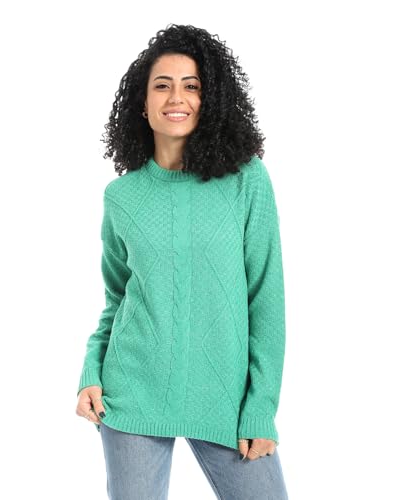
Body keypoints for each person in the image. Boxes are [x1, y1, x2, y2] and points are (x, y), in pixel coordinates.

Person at [75, 23, 289, 500]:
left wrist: (261, 406)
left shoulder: (246, 180)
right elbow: (118, 300)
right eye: (162, 85)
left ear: (208, 100)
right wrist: (91, 369)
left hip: (226, 400)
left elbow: (266, 298)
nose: (177, 98)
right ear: (143, 102)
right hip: (131, 394)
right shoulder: (121, 197)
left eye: (191, 86)